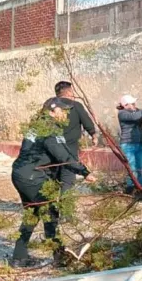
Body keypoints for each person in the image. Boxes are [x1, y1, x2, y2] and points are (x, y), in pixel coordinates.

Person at [10, 97, 94, 267]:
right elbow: (63, 156)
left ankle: (19, 257)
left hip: (21, 174)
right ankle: (59, 256)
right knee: (50, 214)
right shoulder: (49, 129)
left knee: (32, 214)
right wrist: (84, 172)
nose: (65, 115)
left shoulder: (37, 125)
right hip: (33, 176)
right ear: (53, 111)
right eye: (63, 111)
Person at [54, 80, 97, 192]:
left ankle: (50, 203)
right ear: (69, 92)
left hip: (52, 148)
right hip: (69, 149)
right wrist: (93, 135)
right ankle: (64, 205)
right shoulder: (75, 105)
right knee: (67, 177)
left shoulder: (50, 105)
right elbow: (86, 121)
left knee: (53, 176)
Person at [117, 93, 142, 193]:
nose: (135, 105)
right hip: (128, 145)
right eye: (132, 103)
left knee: (141, 167)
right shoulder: (122, 113)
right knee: (132, 168)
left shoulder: (136, 110)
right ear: (125, 105)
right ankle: (130, 189)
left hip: (139, 143)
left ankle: (141, 189)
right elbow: (136, 117)